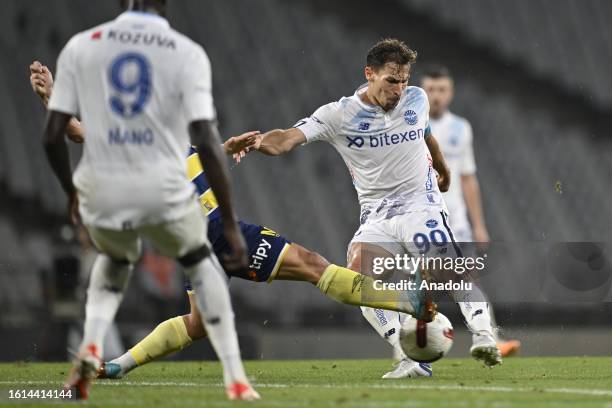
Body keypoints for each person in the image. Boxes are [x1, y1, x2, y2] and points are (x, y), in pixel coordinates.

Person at [30, 56, 435, 380]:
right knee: (206, 319)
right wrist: (51, 98)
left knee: (305, 268)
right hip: (199, 241)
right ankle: (407, 300)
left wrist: (226, 147)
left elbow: (193, 165)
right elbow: (78, 132)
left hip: (222, 232)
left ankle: (406, 300)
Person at [238, 38, 503, 377]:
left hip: (420, 206)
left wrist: (444, 169)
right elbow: (288, 138)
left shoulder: (416, 98)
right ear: (369, 74)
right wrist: (262, 142)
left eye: (405, 80)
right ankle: (409, 357)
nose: (400, 88)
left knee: (448, 269)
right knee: (362, 284)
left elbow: (424, 133)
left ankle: (485, 337)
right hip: (376, 215)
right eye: (392, 80)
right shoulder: (339, 114)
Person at [40, 0, 258, 400]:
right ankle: (236, 377)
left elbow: (56, 135)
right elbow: (205, 142)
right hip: (162, 188)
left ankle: (90, 345)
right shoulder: (185, 53)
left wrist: (71, 193)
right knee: (200, 261)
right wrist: (227, 220)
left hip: (104, 186)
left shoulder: (83, 45)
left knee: (115, 260)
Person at [421, 65, 521, 357]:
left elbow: (467, 178)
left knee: (469, 280)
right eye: (430, 89)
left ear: (450, 92)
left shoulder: (461, 128)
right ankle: (407, 346)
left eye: (441, 90)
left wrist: (479, 224)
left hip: (458, 223)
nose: (436, 96)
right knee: (419, 282)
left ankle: (489, 336)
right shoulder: (409, 124)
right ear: (422, 91)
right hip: (422, 220)